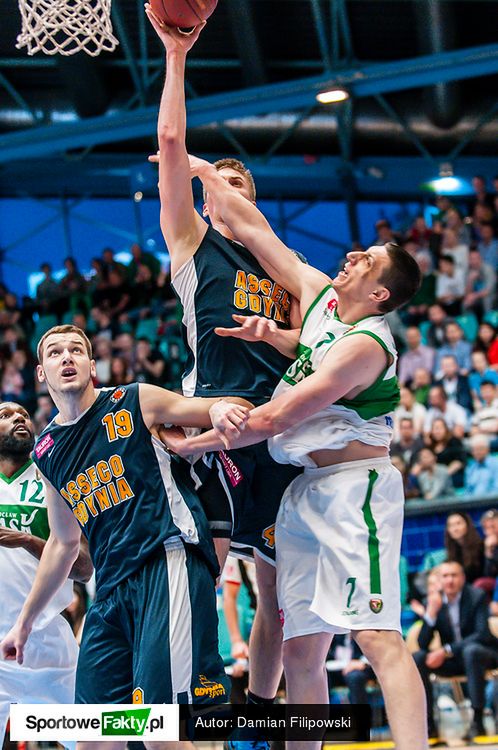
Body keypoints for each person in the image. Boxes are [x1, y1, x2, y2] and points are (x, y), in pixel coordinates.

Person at [161, 156, 427, 750]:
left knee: (377, 637)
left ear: (379, 293)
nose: (351, 256)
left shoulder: (367, 345)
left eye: (366, 261)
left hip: (354, 490)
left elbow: (276, 418)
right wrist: (202, 171)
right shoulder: (320, 298)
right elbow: (256, 230)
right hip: (302, 486)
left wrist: (194, 440)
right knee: (301, 648)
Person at [145, 6, 302, 726]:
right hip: (213, 425)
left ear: (254, 206)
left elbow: (311, 351)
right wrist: (176, 56)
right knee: (201, 571)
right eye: (220, 185)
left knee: (275, 598)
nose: (228, 192)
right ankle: (187, 707)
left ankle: (259, 717)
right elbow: (171, 142)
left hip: (278, 432)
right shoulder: (190, 242)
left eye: (242, 187)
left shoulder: (286, 268)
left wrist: (280, 334)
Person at [0, 325, 250, 750]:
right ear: (41, 373)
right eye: (55, 352)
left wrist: (215, 420)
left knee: (159, 731)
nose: (66, 357)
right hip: (110, 589)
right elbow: (63, 544)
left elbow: (230, 407)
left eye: (76, 350)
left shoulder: (136, 400)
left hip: (165, 562)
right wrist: (22, 626)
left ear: (91, 366)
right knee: (95, 738)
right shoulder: (47, 451)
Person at [0, 401, 93, 748]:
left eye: (23, 415)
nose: (18, 418)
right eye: (5, 415)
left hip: (47, 642)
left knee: (93, 740)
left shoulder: (54, 481)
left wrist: (26, 540)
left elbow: (84, 568)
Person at [412, 560, 498, 739]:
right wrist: (431, 613)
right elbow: (422, 644)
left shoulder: (477, 596)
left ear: (463, 578)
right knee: (419, 657)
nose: (450, 580)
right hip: (455, 660)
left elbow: (482, 634)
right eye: (445, 576)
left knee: (471, 651)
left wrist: (446, 650)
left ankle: (478, 721)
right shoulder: (433, 601)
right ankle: (428, 725)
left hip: (484, 654)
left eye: (454, 575)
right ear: (440, 580)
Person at [445, 512, 485, 584]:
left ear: (467, 525)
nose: (455, 528)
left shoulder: (481, 547)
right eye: (451, 525)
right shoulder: (451, 552)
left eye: (458, 523)